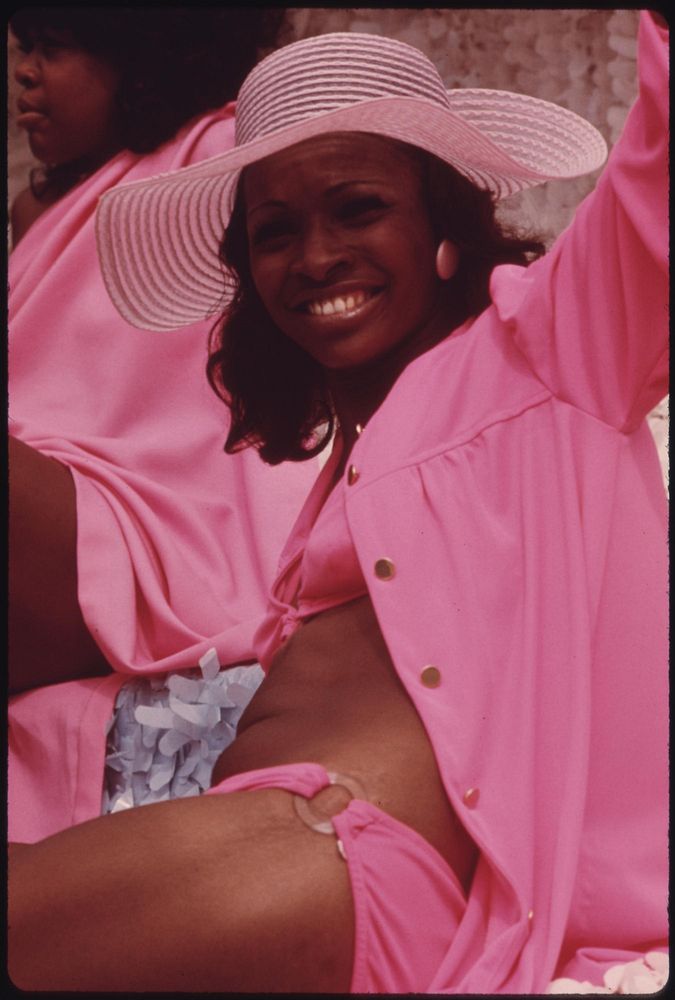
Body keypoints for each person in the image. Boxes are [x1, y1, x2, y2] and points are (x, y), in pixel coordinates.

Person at [9, 11, 668, 994]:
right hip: (302, 865)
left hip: (350, 858)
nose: (315, 257)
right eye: (276, 232)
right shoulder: (342, 467)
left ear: (444, 223)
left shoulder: (549, 353)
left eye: (358, 208)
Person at [8, 7, 318, 841]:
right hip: (50, 503)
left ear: (140, 54)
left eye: (53, 47)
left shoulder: (232, 157)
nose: (24, 73)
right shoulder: (38, 209)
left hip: (162, 534)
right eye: (21, 45)